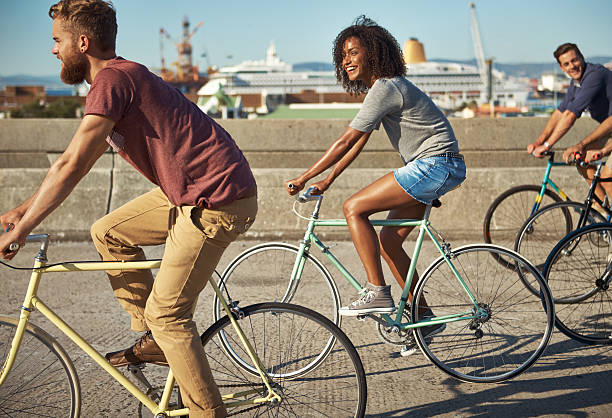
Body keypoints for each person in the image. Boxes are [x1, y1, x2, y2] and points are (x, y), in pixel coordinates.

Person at [0, 1, 257, 416]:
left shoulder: (113, 81)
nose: (53, 50)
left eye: (57, 41)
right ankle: (152, 340)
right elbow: (78, 160)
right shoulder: (119, 80)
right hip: (190, 192)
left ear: (81, 43)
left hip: (216, 199)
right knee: (109, 232)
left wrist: (24, 227)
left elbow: (68, 164)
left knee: (170, 316)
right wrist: (22, 210)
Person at [285, 16, 465, 356]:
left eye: (353, 52)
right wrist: (328, 179)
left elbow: (345, 139)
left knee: (354, 208)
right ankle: (425, 318)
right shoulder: (383, 90)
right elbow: (359, 142)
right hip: (436, 166)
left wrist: (305, 177)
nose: (347, 60)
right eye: (342, 56)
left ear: (374, 53)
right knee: (388, 242)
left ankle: (377, 291)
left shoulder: (386, 86)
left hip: (434, 164)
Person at [527, 43, 612, 206]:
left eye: (575, 60)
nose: (572, 66)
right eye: (566, 64)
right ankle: (602, 209)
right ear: (561, 68)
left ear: (582, 57)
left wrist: (547, 145)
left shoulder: (594, 76)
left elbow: (571, 115)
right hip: (608, 128)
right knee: (578, 157)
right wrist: (539, 141)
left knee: (608, 178)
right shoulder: (576, 83)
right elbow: (560, 112)